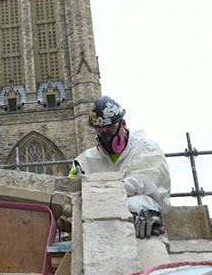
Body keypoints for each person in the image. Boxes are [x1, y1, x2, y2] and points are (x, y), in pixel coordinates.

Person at [69, 96, 171, 239]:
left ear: (122, 124)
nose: (106, 137)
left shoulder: (147, 149)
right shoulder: (83, 161)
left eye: (110, 129)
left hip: (145, 224)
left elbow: (153, 191)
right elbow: (70, 193)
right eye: (100, 131)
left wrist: (98, 192)